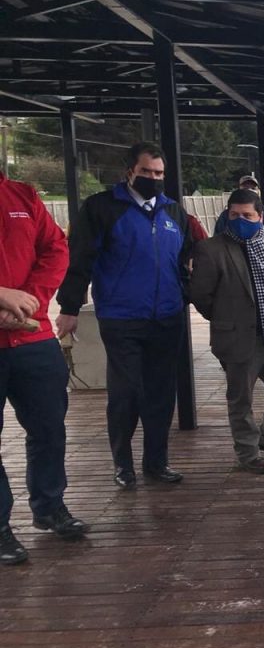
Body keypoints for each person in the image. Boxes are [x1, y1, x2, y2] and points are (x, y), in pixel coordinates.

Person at [55, 142, 191, 489]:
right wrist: (69, 308)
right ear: (129, 171)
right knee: (127, 391)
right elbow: (80, 260)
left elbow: (185, 262)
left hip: (167, 316)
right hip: (122, 316)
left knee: (161, 392)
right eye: (146, 172)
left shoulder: (174, 212)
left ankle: (156, 462)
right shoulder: (101, 208)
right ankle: (122, 463)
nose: (153, 178)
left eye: (159, 173)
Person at [0, 172, 89, 565]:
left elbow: (55, 249)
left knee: (49, 429)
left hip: (32, 339)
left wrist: (28, 302)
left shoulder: (22, 195)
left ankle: (49, 507)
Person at [191, 189, 264, 474]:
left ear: (260, 216)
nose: (240, 220)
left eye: (247, 215)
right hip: (240, 336)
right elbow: (201, 295)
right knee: (241, 397)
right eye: (234, 215)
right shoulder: (211, 249)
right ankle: (248, 453)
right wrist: (225, 318)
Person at [213, 174, 264, 239]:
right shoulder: (225, 215)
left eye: (253, 188)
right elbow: (217, 239)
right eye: (245, 188)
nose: (249, 190)